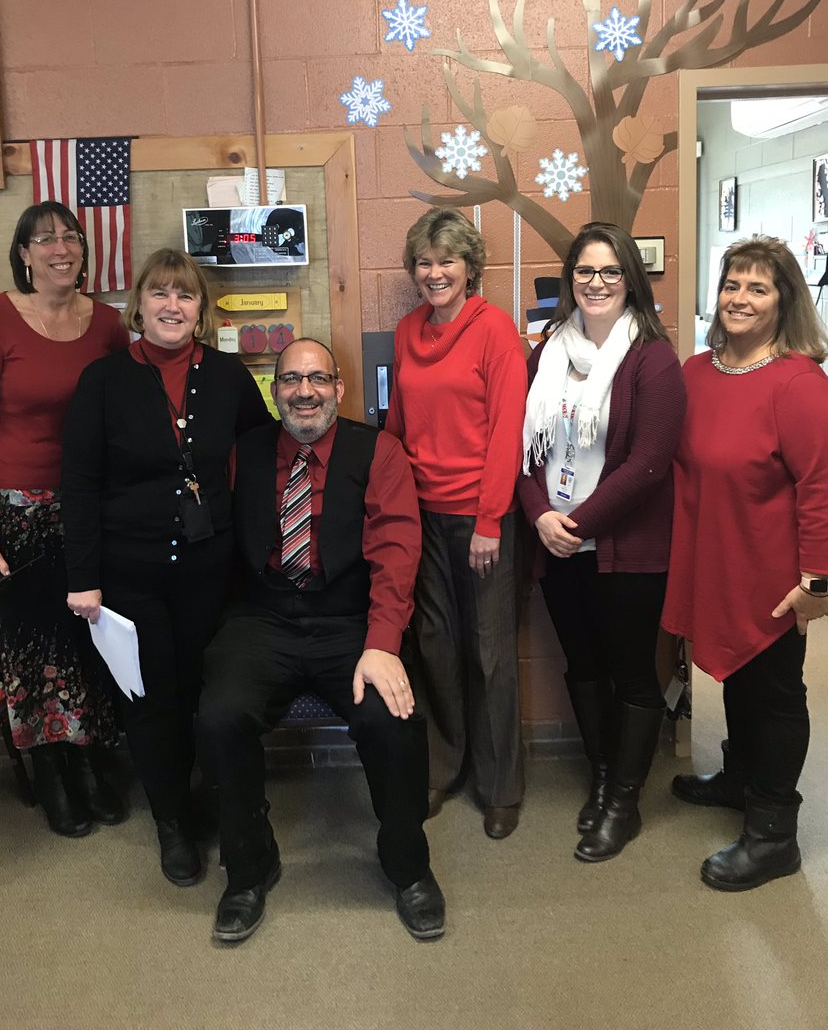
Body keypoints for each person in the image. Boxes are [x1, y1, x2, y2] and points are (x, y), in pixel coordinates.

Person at [197, 338, 445, 943]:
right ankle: (249, 867)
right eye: (290, 379)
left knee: (392, 718)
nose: (303, 391)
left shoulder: (379, 451)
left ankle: (407, 865)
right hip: (264, 620)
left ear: (339, 387)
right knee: (220, 716)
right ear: (274, 390)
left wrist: (382, 643)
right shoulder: (245, 452)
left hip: (349, 622)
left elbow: (396, 550)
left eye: (316, 379)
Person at [62, 248, 271, 886]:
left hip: (210, 570)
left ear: (201, 310)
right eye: (160, 293)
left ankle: (206, 797)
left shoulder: (229, 375)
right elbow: (80, 483)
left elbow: (260, 456)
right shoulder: (103, 381)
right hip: (130, 574)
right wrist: (82, 577)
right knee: (151, 699)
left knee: (203, 691)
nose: (172, 306)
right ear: (140, 306)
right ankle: (172, 822)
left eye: (184, 295)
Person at [0, 201, 128, 837]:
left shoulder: (108, 325)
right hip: (16, 518)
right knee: (33, 650)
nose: (59, 248)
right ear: (23, 253)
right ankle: (50, 774)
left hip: (89, 513)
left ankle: (89, 762)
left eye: (69, 237)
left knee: (84, 644)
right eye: (44, 239)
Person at [662, 236, 828, 891]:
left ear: (784, 301)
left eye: (758, 288)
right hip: (715, 562)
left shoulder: (799, 384)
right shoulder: (696, 372)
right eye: (732, 284)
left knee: (774, 692)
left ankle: (774, 834)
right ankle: (739, 779)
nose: (740, 298)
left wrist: (818, 582)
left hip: (772, 576)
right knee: (735, 678)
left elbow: (820, 487)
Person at [519, 222, 686, 862]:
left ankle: (624, 802)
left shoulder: (653, 357)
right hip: (558, 543)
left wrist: (577, 524)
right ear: (570, 280)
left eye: (610, 271)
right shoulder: (546, 353)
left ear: (630, 281)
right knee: (584, 665)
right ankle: (602, 776)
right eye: (585, 271)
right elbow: (523, 451)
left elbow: (649, 463)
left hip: (625, 549)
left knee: (632, 673)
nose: (596, 283)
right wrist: (541, 516)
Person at [385, 208, 527, 840]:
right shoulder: (406, 331)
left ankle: (500, 786)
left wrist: (490, 519)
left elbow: (507, 432)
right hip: (421, 513)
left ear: (470, 267)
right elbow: (397, 422)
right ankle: (442, 766)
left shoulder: (495, 330)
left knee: (490, 653)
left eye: (447, 260)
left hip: (481, 516)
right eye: (424, 261)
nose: (435, 272)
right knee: (435, 644)